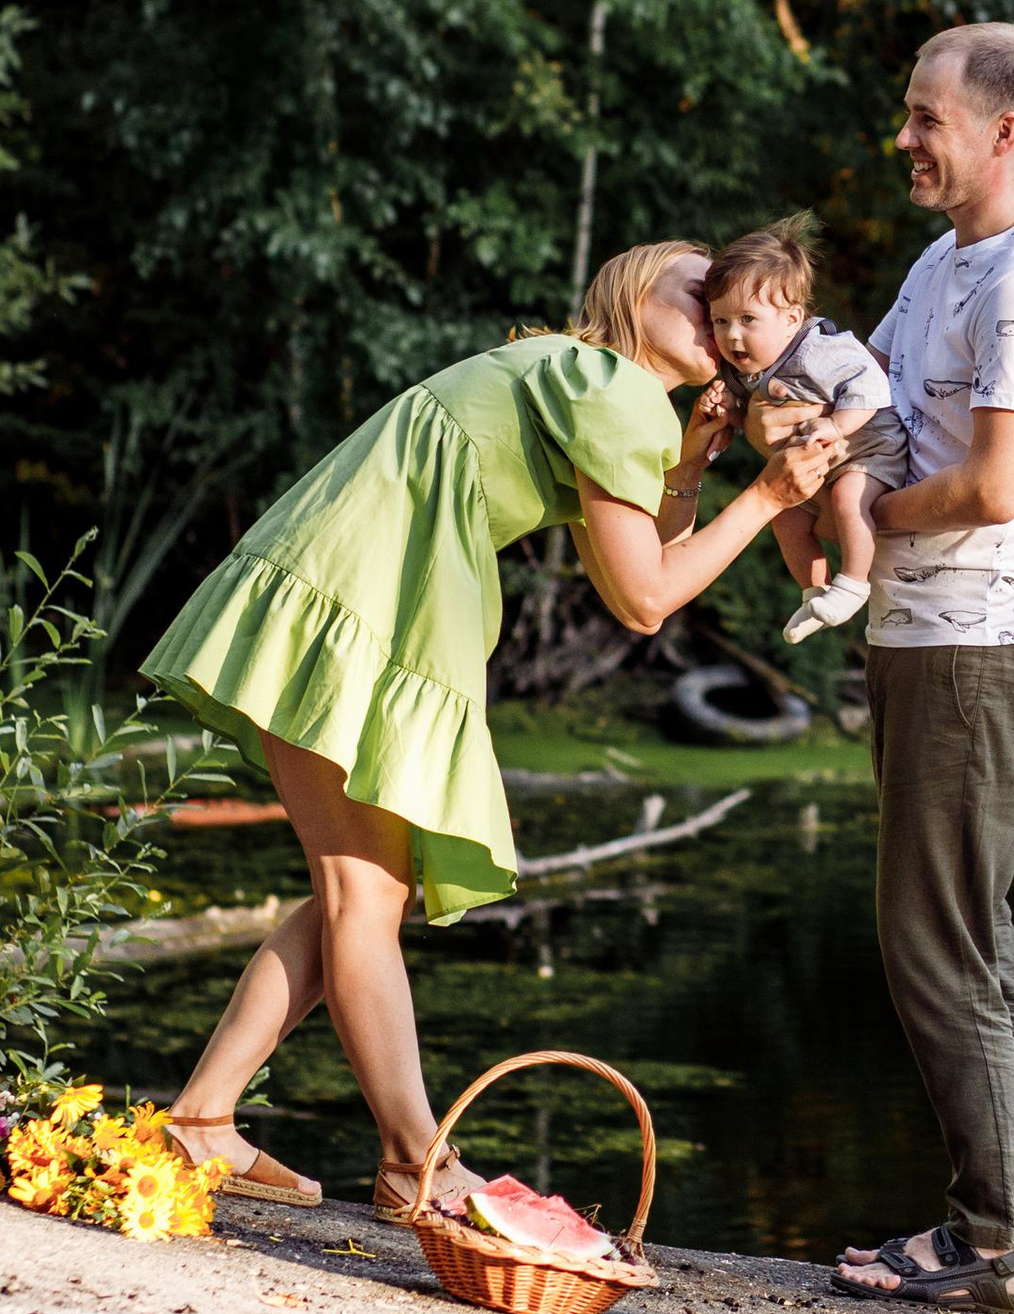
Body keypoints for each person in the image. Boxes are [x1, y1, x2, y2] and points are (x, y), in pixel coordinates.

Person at [144, 243, 840, 1218]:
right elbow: (644, 601)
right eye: (701, 287)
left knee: (359, 889)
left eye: (733, 308)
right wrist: (768, 499)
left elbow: (633, 572)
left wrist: (692, 463)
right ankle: (411, 1159)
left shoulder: (592, 381)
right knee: (362, 892)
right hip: (367, 597)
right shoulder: (611, 384)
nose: (723, 313)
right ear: (632, 293)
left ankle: (204, 1119)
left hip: (354, 585)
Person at [813, 22, 1014, 1308]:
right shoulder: (947, 262)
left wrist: (868, 524)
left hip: (978, 647)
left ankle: (990, 1246)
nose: (905, 138)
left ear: (1002, 132)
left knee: (935, 936)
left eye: (927, 117)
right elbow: (871, 399)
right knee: (962, 932)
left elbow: (996, 484)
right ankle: (994, 1233)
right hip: (928, 638)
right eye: (909, 110)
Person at [704, 217, 911, 645]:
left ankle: (852, 585)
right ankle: (814, 593)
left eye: (747, 319)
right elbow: (757, 418)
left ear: (792, 318)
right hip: (823, 461)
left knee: (847, 498)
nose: (732, 335)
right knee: (785, 516)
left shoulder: (817, 349)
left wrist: (835, 425)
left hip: (870, 448)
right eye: (720, 321)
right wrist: (730, 413)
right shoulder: (747, 366)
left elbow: (872, 385)